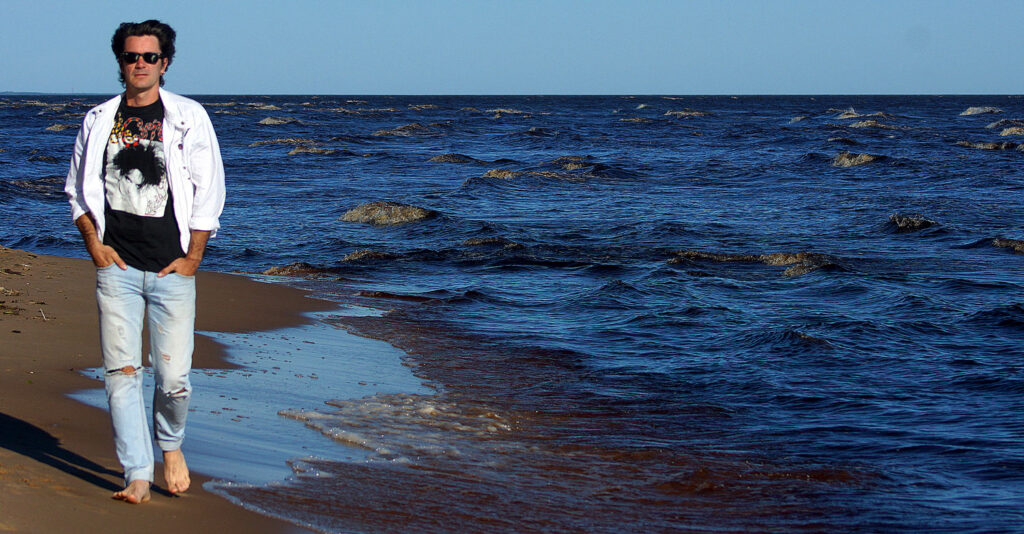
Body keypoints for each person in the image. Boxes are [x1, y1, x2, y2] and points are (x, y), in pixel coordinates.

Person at [64, 19, 225, 504]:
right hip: (116, 268)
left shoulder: (188, 117)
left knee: (173, 379)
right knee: (121, 374)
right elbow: (77, 190)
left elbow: (208, 189)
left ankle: (170, 446)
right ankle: (136, 473)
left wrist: (193, 257)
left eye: (149, 57)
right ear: (120, 61)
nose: (140, 64)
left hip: (171, 268)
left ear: (164, 63)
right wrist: (94, 246)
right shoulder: (98, 120)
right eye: (131, 56)